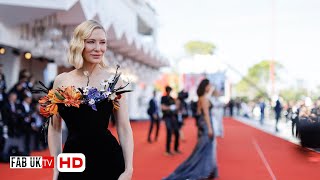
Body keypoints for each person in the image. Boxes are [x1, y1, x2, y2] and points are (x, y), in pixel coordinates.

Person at [37, 20, 133, 180]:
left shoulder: (114, 80)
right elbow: (54, 128)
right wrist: (56, 166)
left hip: (108, 161)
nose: (98, 48)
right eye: (91, 42)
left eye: (102, 42)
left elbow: (123, 127)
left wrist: (129, 169)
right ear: (79, 44)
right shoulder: (61, 81)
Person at [163, 79, 218, 180]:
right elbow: (206, 114)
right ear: (205, 86)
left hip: (202, 126)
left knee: (203, 149)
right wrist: (210, 128)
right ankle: (203, 171)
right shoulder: (204, 99)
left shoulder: (201, 98)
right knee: (202, 150)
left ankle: (207, 171)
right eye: (209, 85)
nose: (211, 87)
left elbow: (198, 113)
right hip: (206, 126)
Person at [161, 86, 180, 155]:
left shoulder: (172, 98)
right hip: (167, 117)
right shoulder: (163, 98)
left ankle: (176, 148)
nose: (169, 92)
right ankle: (167, 150)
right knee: (169, 131)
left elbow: (176, 107)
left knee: (177, 132)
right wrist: (169, 107)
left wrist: (176, 105)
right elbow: (162, 107)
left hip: (173, 117)